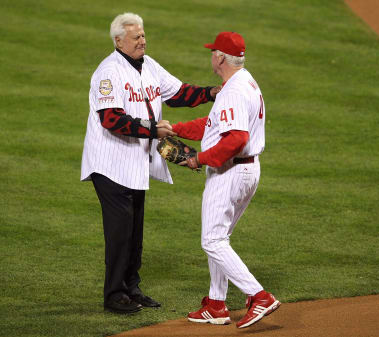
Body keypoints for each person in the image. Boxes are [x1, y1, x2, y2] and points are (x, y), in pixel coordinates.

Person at [81, 13, 220, 314]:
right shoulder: (108, 73)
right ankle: (114, 294)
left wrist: (210, 92)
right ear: (119, 41)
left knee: (134, 233)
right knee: (120, 233)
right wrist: (151, 128)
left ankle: (132, 288)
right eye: (135, 37)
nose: (142, 40)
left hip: (136, 164)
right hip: (110, 165)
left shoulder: (149, 66)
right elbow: (111, 119)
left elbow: (180, 93)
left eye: (143, 35)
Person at [171, 32, 280, 328]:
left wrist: (200, 159)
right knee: (219, 237)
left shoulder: (232, 91)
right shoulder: (243, 81)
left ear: (220, 57)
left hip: (230, 171)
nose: (211, 56)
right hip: (245, 170)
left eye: (213, 52)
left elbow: (235, 139)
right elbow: (213, 125)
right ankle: (216, 305)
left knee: (213, 240)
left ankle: (259, 296)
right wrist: (176, 128)